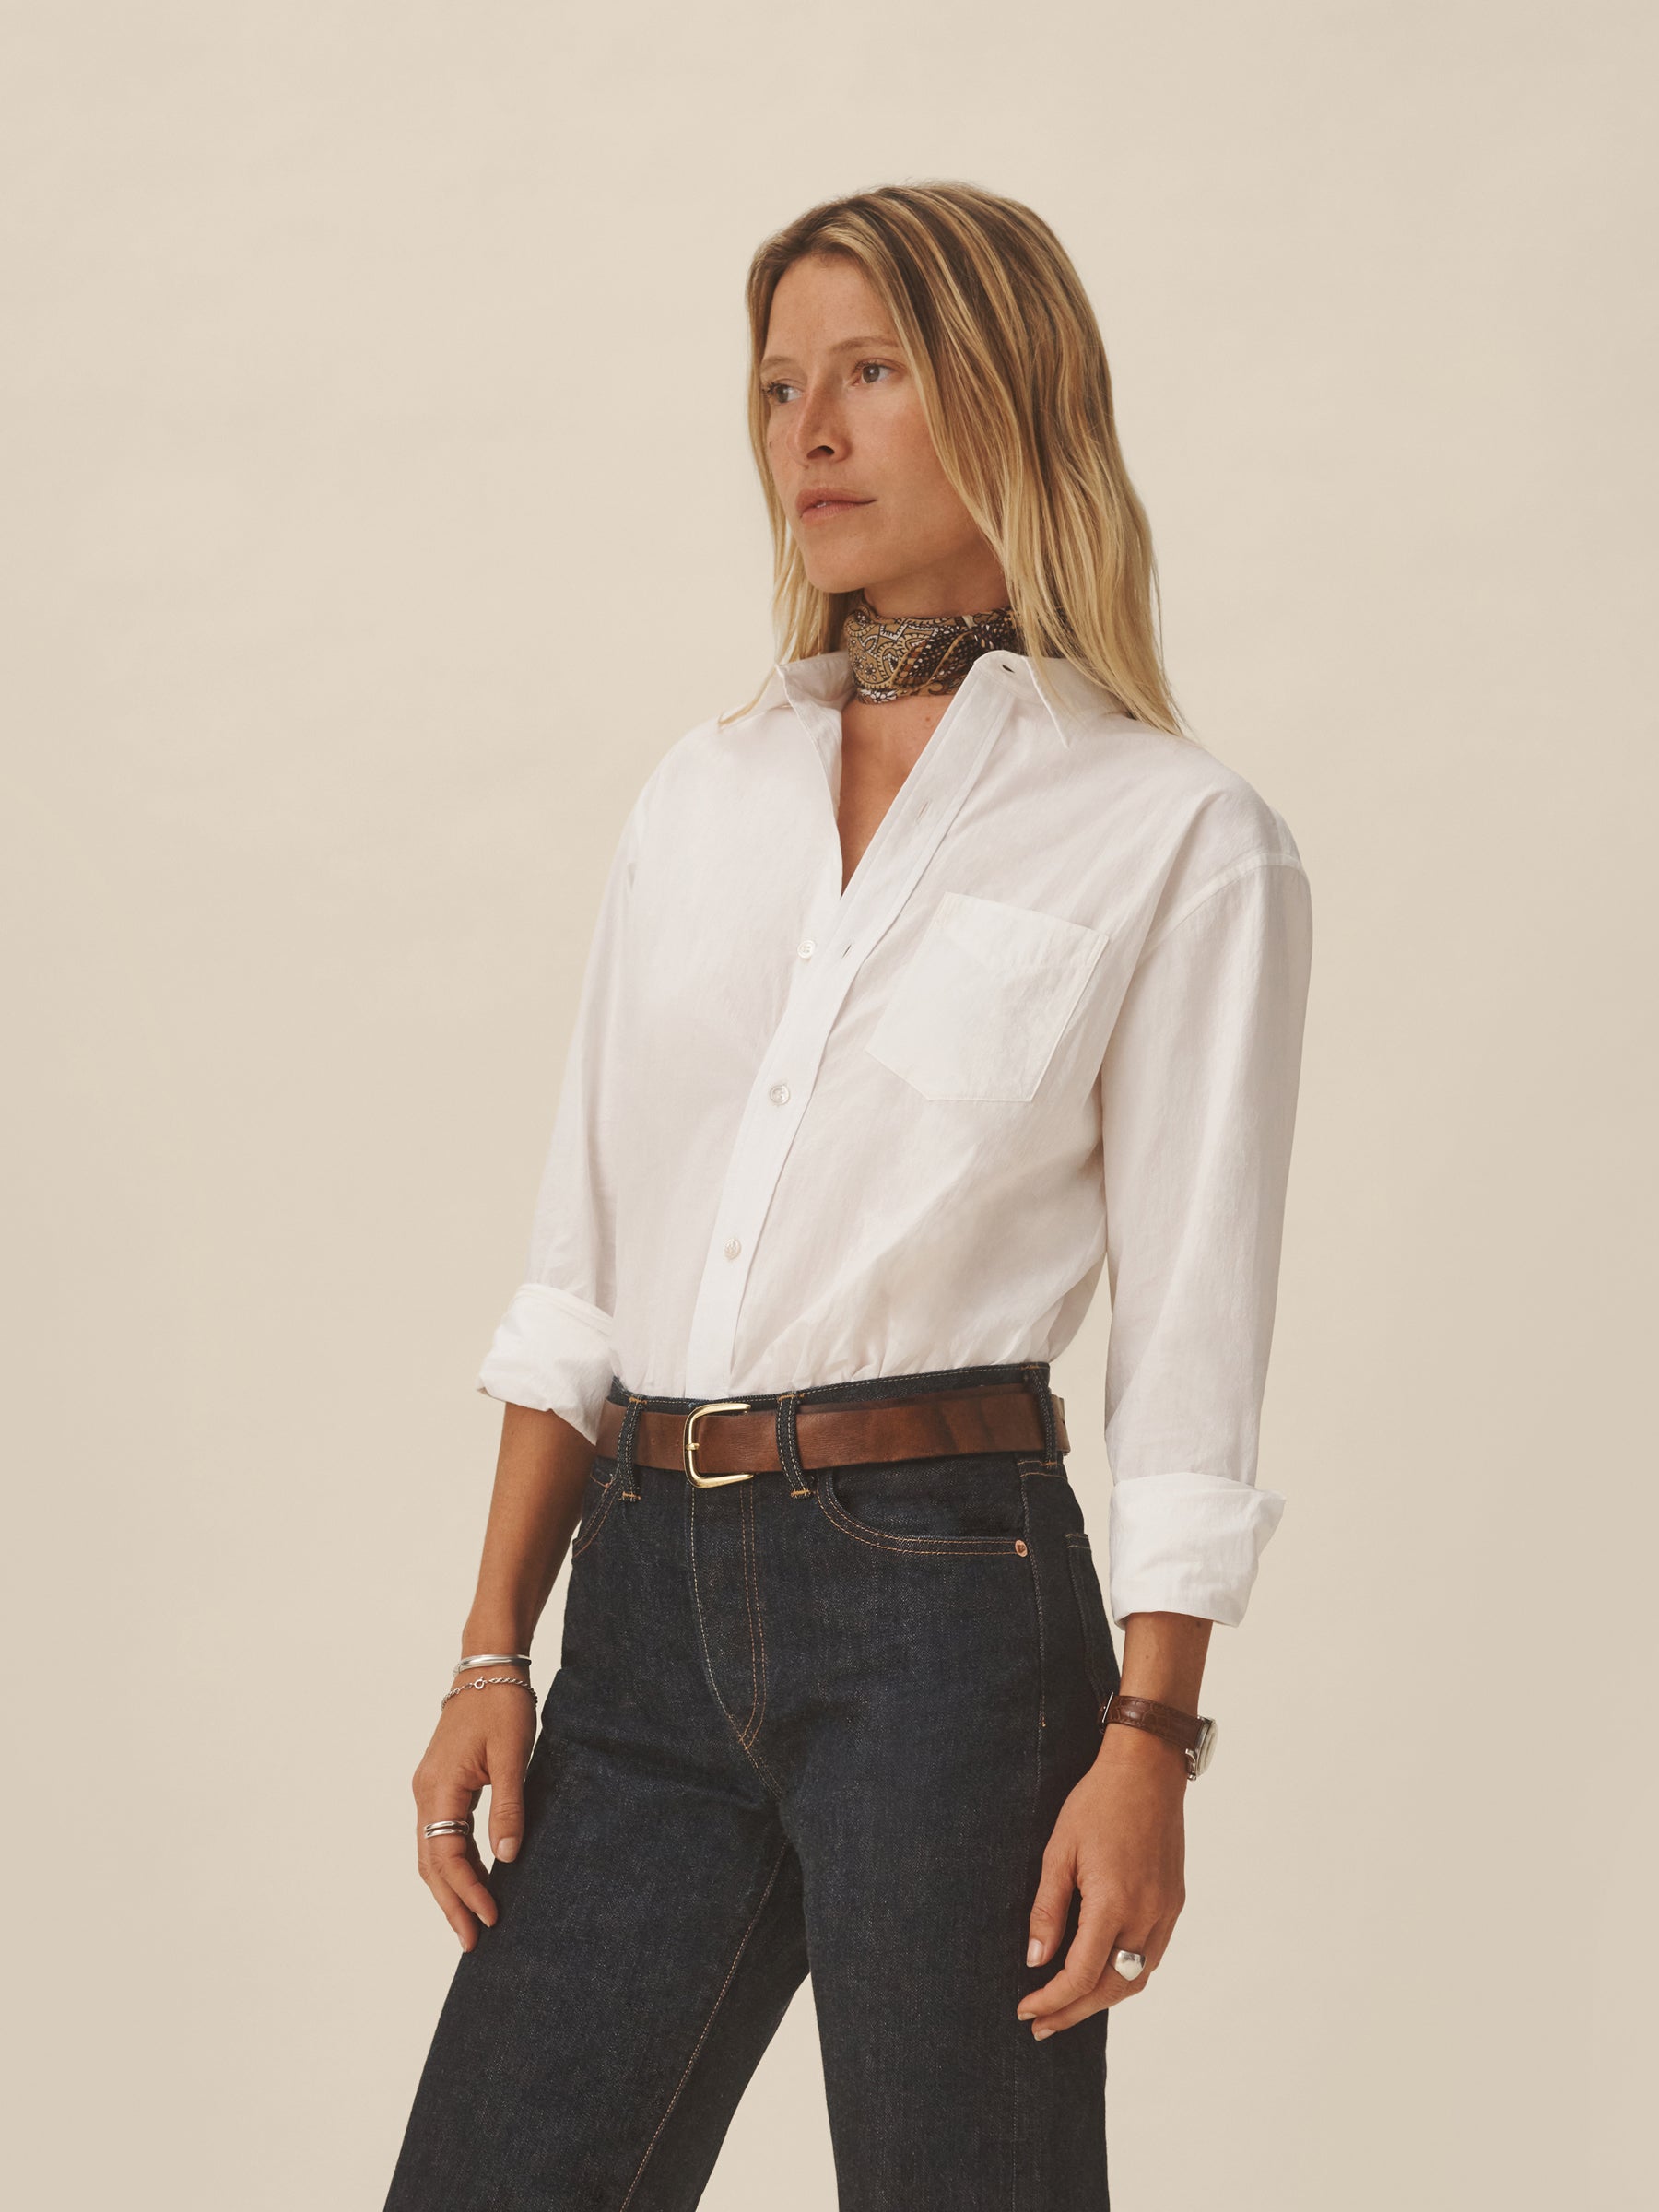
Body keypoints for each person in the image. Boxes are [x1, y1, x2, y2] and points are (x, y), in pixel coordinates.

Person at [382, 180, 1313, 2211]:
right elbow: (581, 1269)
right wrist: (492, 1652)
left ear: (1010, 395)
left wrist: (1153, 1738)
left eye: (873, 372)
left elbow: (1195, 1343)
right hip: (640, 1598)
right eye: (779, 383)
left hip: (946, 1607)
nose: (809, 429)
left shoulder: (1176, 835)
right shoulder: (701, 794)